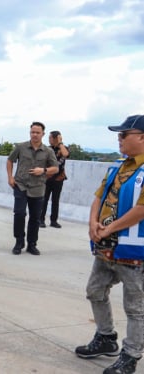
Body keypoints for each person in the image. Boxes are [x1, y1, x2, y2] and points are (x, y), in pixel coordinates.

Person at [74, 115, 144, 374]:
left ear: (142, 137)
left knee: (135, 306)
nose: (119, 138)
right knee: (95, 290)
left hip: (135, 251)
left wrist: (109, 229)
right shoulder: (117, 167)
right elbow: (99, 197)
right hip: (106, 247)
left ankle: (131, 354)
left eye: (125, 134)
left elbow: (141, 209)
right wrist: (93, 222)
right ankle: (106, 337)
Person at [6, 122, 59, 255]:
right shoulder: (21, 147)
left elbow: (55, 168)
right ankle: (19, 241)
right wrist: (10, 177)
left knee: (35, 217)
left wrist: (43, 170)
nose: (34, 135)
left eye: (37, 132)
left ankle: (32, 244)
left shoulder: (48, 151)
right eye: (32, 132)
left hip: (38, 188)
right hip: (21, 185)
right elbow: (10, 160)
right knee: (19, 213)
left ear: (43, 134)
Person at [40, 130, 69, 228]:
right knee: (44, 199)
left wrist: (60, 142)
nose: (49, 139)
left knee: (55, 201)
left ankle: (53, 221)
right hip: (47, 178)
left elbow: (65, 155)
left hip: (58, 179)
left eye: (50, 138)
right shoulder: (47, 149)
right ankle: (41, 220)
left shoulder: (64, 148)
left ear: (56, 138)